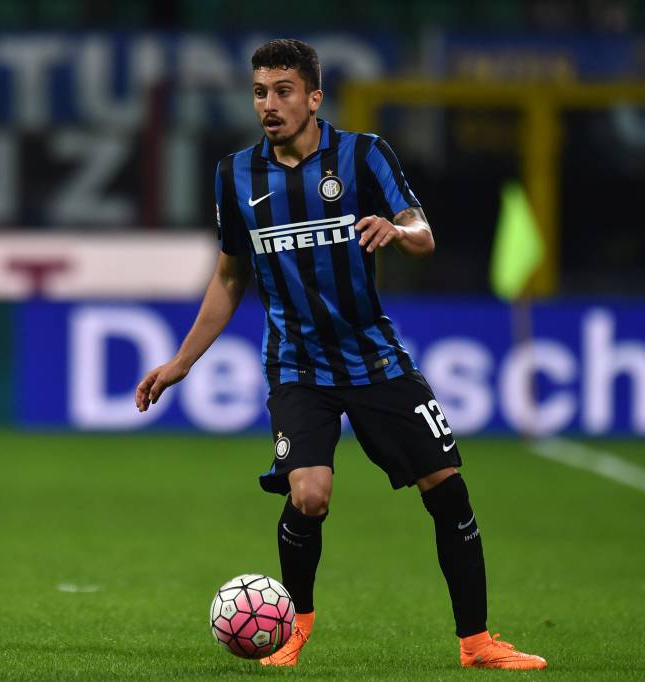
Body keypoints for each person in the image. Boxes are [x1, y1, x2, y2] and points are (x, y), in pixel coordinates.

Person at [134, 39, 547, 671]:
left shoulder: (363, 154)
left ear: (314, 97)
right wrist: (181, 361)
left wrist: (397, 230)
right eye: (259, 92)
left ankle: (477, 643)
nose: (268, 104)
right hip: (297, 366)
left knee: (447, 488)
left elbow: (423, 233)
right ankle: (293, 627)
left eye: (283, 91)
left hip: (375, 359)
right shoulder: (235, 175)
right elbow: (229, 277)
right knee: (310, 496)